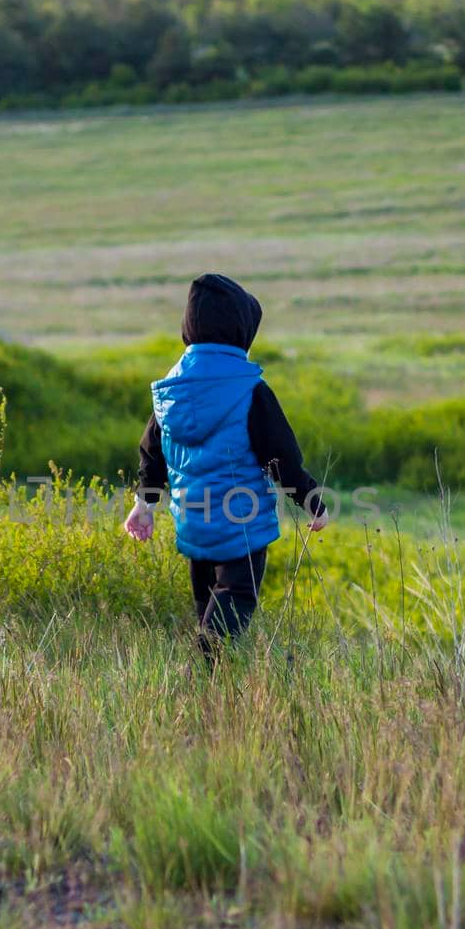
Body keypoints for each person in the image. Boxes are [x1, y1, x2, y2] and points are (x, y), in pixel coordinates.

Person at [124, 273, 328, 652]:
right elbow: (280, 455)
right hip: (241, 526)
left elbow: (153, 452)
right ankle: (202, 668)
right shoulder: (250, 390)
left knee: (208, 609)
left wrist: (144, 504)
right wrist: (311, 499)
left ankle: (210, 688)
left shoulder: (170, 391)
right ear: (241, 332)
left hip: (194, 524)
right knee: (234, 603)